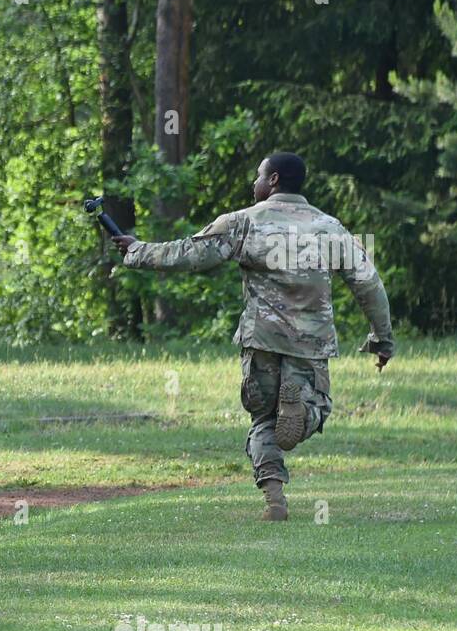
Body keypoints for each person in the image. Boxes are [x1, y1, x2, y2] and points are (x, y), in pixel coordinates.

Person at [112, 152, 395, 521]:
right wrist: (381, 338)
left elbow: (189, 254)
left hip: (260, 340)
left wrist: (137, 251)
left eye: (259, 176)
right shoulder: (329, 228)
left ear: (273, 180)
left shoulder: (243, 222)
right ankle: (302, 415)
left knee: (263, 419)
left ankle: (275, 501)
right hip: (310, 343)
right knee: (314, 407)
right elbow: (368, 284)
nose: (254, 182)